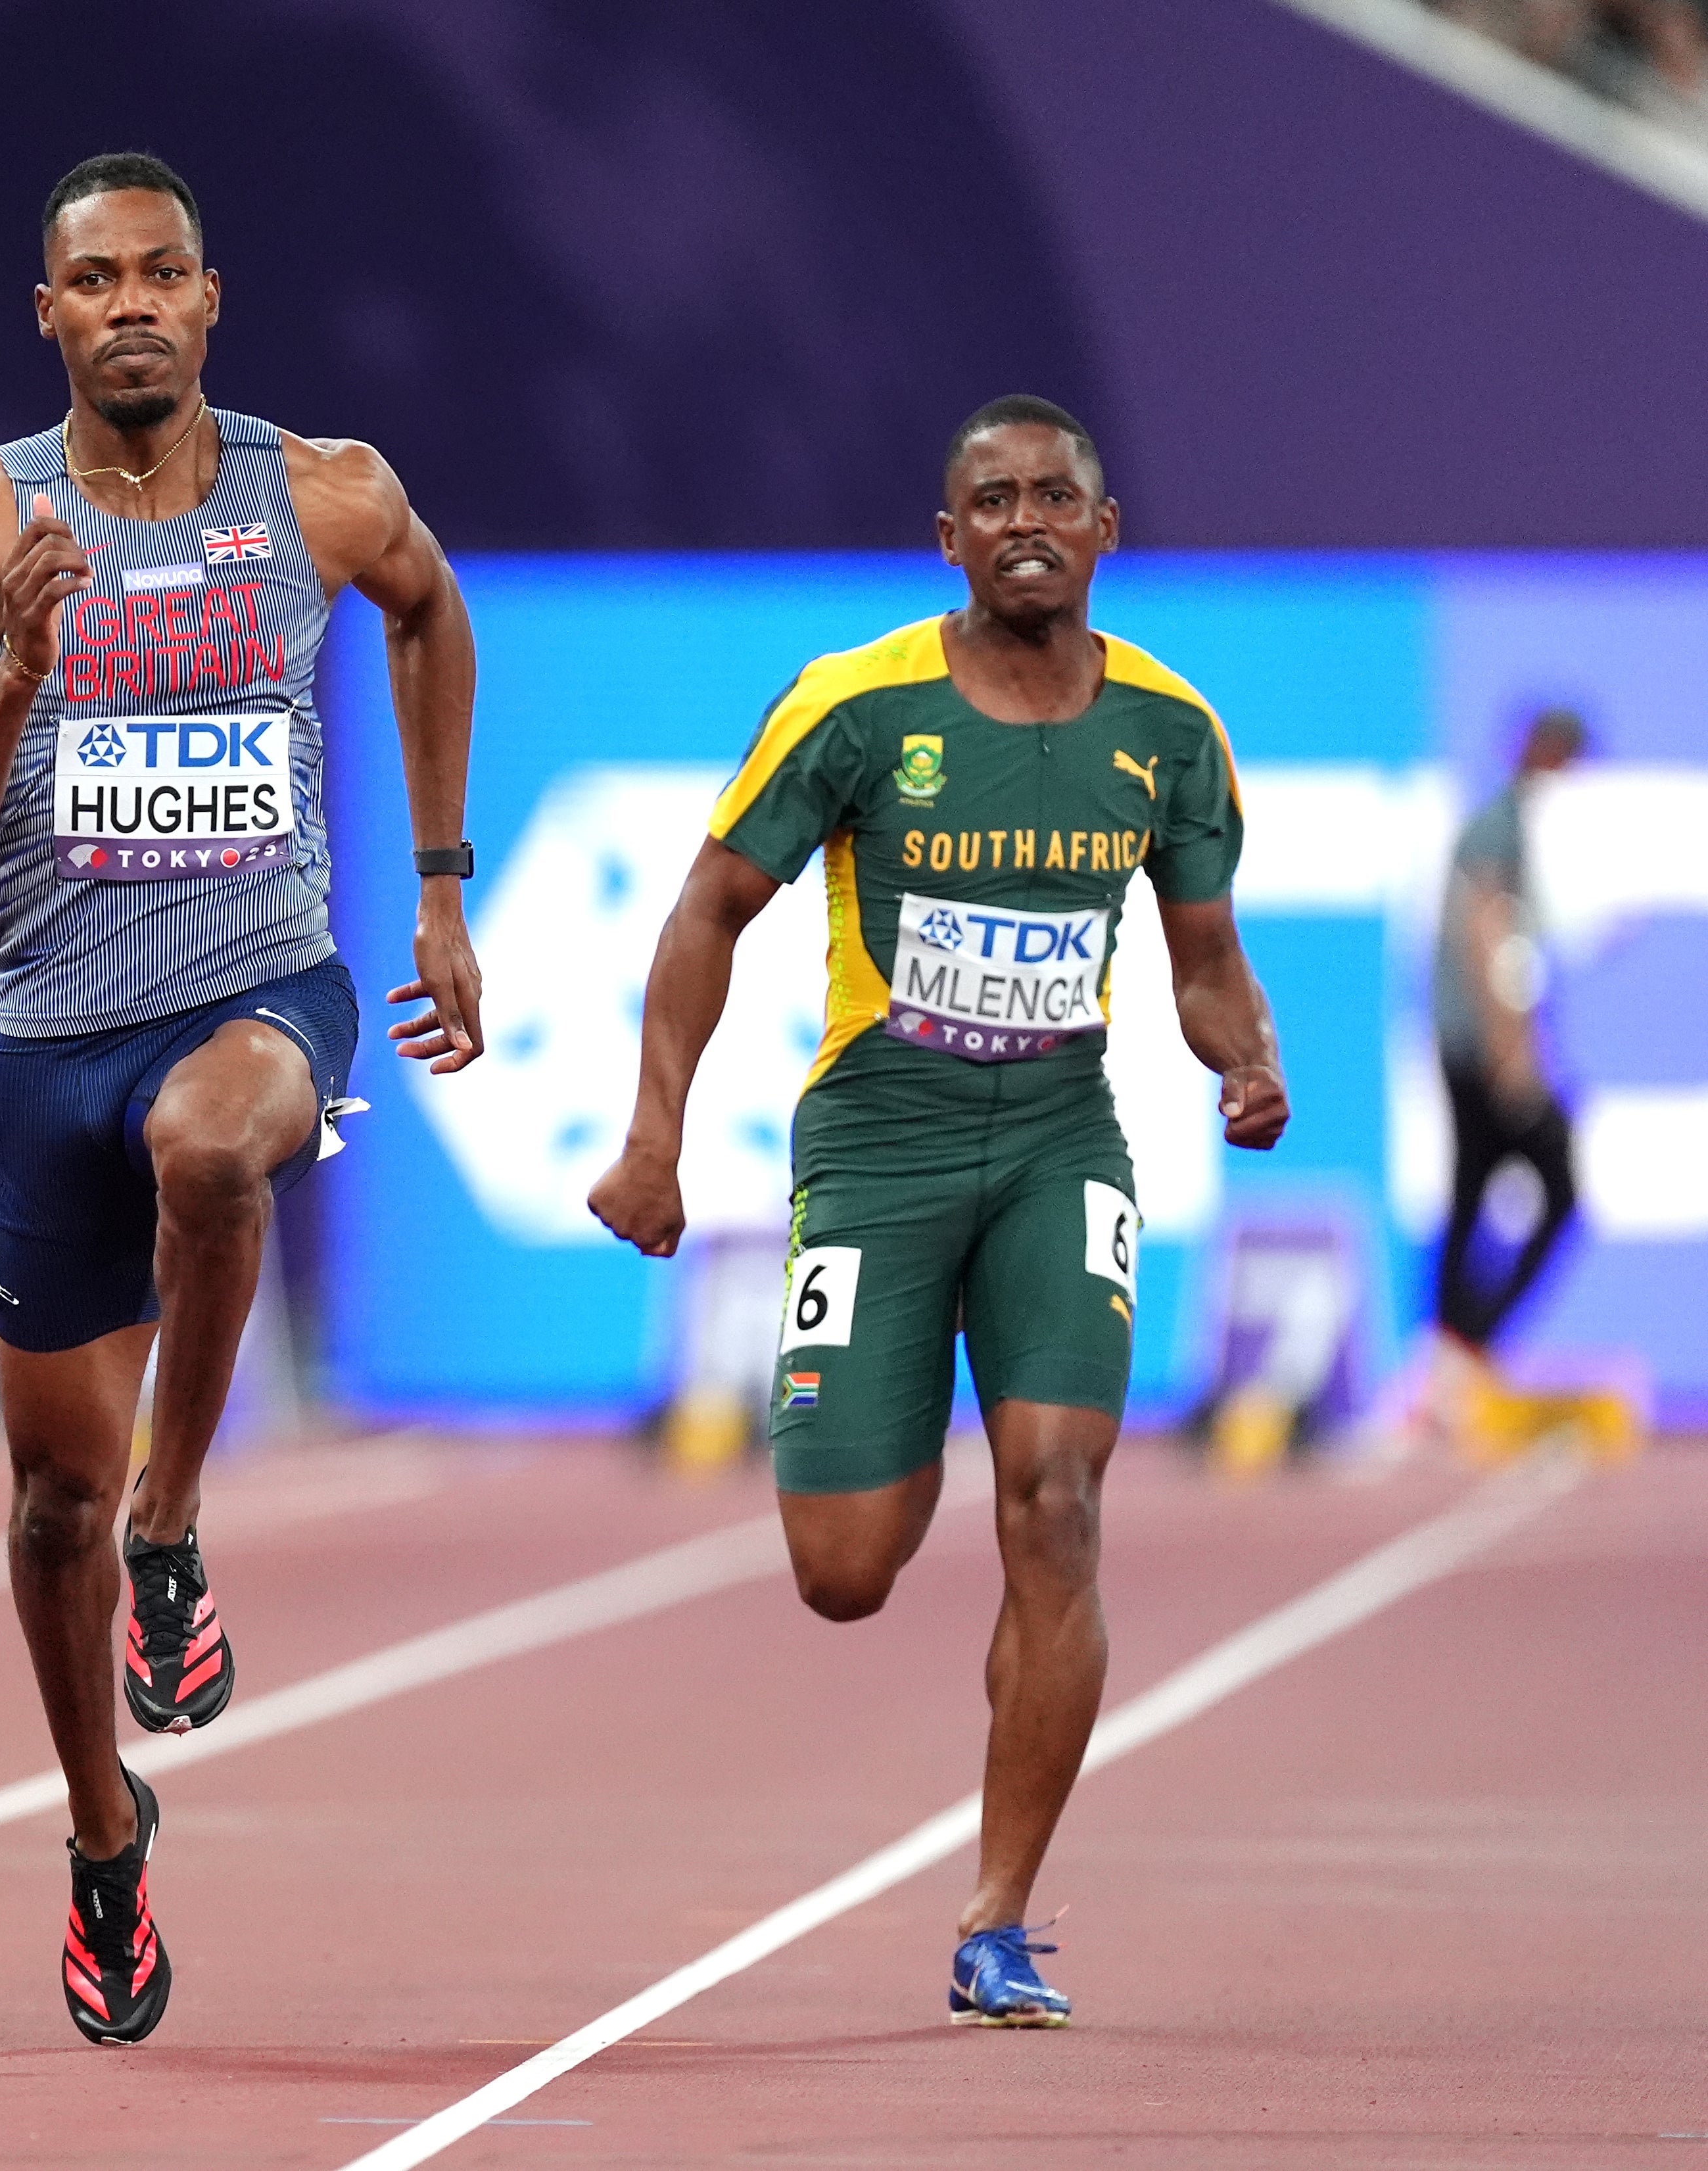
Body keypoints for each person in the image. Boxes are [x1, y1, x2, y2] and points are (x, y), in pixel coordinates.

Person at [588, 395, 1287, 2027]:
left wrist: (1243, 1056)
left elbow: (1198, 955)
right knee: (844, 1563)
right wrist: (651, 1138)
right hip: (877, 1149)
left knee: (1054, 1501)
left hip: (1061, 1139)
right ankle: (950, 1646)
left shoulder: (1171, 732)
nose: (1027, 518)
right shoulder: (852, 706)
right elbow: (707, 911)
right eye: (993, 499)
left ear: (1105, 530)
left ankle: (998, 1914)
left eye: (1058, 495)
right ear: (948, 536)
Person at [0, 152, 483, 2043]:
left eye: (162, 273)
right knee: (36, 1505)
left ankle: (176, 1519)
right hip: (50, 1036)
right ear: (47, 313)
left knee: (214, 1146)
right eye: (95, 280)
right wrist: (23, 681)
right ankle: (100, 1827)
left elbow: (428, 611)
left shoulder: (323, 490)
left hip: (261, 988)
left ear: (211, 298)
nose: (131, 302)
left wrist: (446, 880)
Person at [1429, 706, 1585, 1400]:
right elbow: (1488, 936)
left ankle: (1454, 1347)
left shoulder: (1503, 822)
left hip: (1468, 1038)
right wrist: (1513, 1053)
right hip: (1482, 1044)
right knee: (1555, 1184)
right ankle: (1465, 1342)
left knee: (1471, 1187)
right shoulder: (1500, 825)